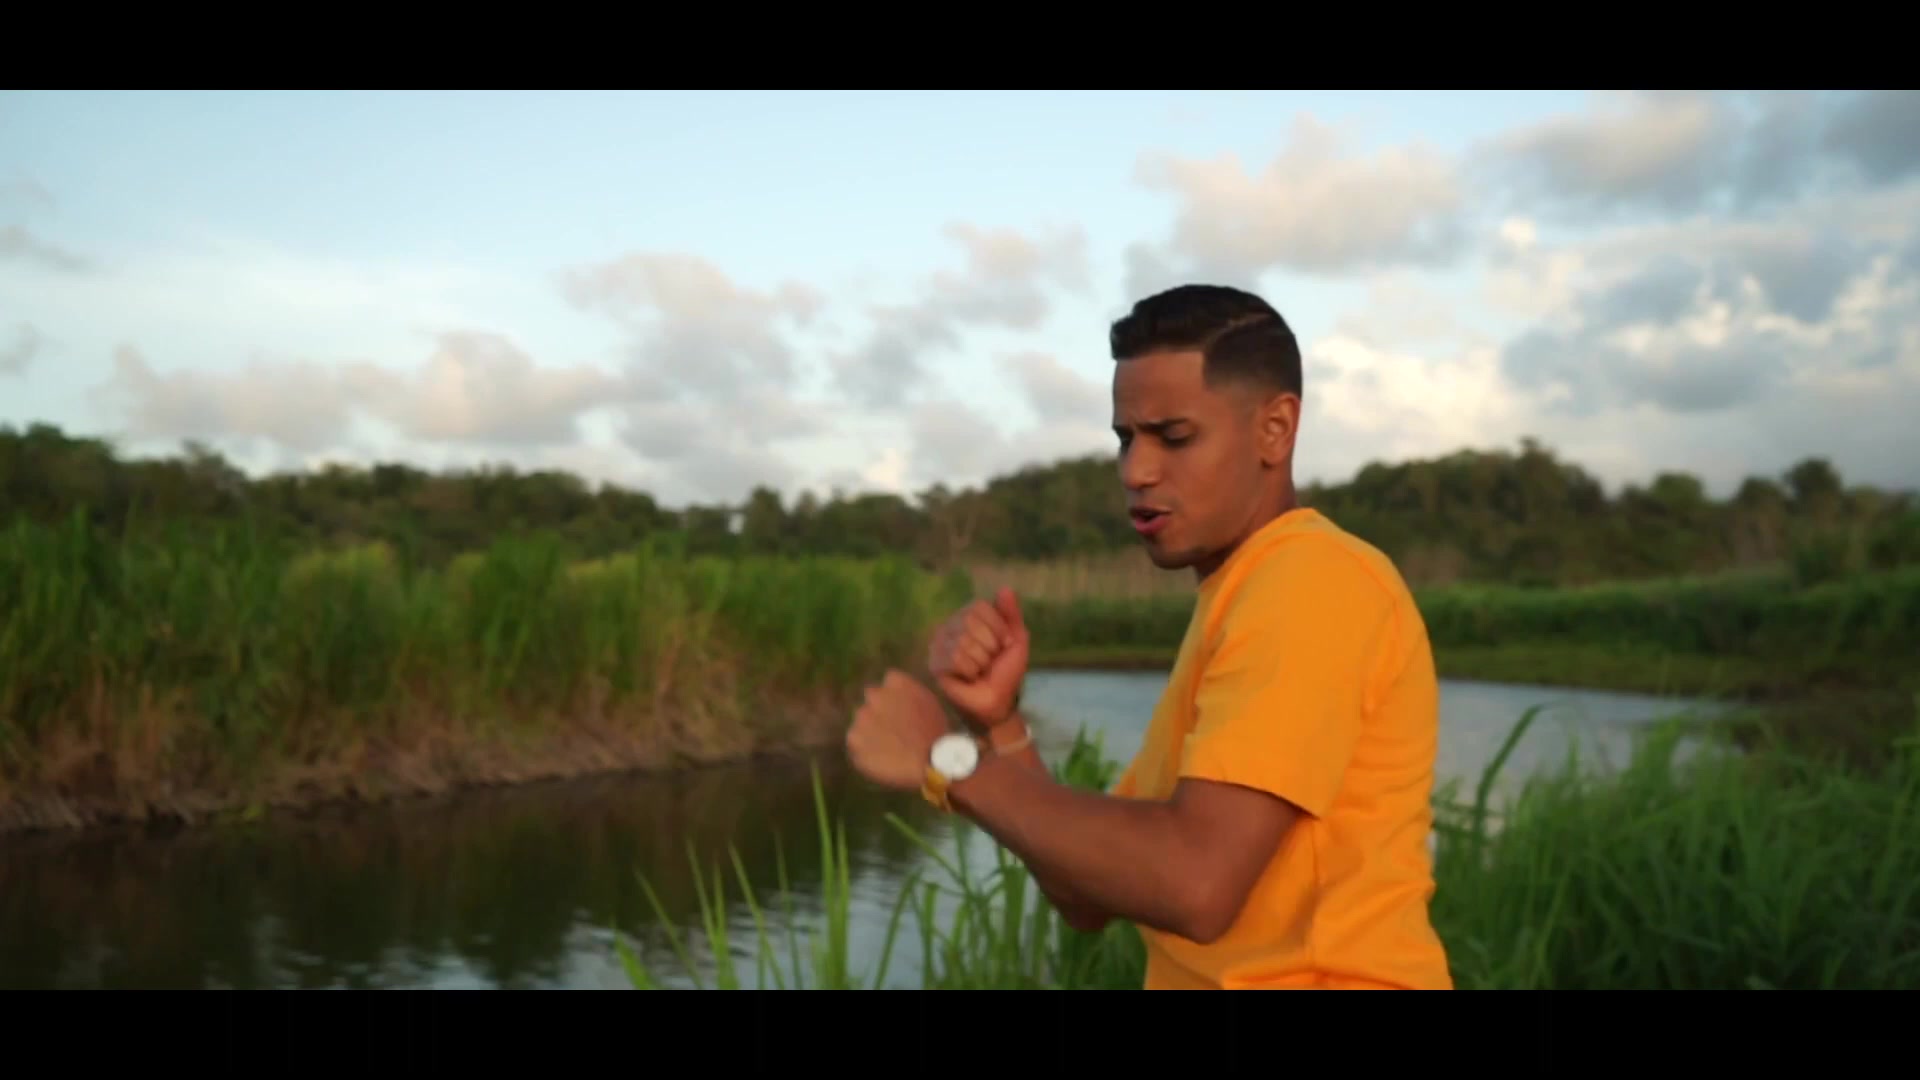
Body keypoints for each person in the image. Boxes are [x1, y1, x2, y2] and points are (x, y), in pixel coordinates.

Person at [844, 283, 1453, 990]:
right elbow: (1089, 894)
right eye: (1125, 438)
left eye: (1175, 437)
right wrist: (999, 726)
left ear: (1276, 429)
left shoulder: (1310, 580)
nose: (1136, 471)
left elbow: (1195, 885)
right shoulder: (1238, 598)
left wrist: (945, 761)